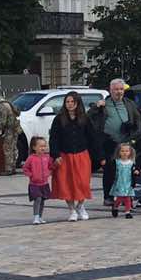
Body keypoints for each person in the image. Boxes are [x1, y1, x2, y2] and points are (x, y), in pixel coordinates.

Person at [89, 79, 141, 207]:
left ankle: (125, 196)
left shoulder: (129, 104)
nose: (119, 92)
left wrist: (133, 135)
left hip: (126, 143)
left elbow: (138, 121)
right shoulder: (104, 104)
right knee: (110, 170)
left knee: (128, 170)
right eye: (116, 89)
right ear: (110, 90)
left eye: (121, 89)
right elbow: (90, 117)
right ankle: (108, 196)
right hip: (110, 142)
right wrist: (97, 107)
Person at [49, 91, 97, 221]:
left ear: (77, 103)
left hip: (82, 155)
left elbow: (92, 137)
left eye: (72, 102)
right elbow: (53, 138)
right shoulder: (59, 119)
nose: (70, 104)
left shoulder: (85, 118)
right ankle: (72, 210)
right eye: (67, 102)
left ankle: (80, 206)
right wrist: (55, 154)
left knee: (83, 183)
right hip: (65, 156)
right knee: (66, 184)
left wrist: (98, 156)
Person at [23, 135, 53, 224]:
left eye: (44, 146)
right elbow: (25, 168)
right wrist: (31, 175)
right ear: (34, 147)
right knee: (38, 199)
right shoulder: (31, 158)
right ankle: (36, 217)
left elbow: (51, 166)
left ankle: (40, 216)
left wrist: (49, 172)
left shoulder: (47, 157)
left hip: (44, 183)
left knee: (43, 200)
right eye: (41, 146)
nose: (43, 148)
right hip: (34, 184)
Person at [109, 142, 138, 218]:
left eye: (127, 151)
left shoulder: (131, 163)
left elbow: (135, 171)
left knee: (127, 197)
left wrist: (137, 172)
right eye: (122, 151)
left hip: (128, 183)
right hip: (119, 183)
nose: (125, 153)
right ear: (119, 152)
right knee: (120, 197)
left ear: (130, 152)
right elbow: (112, 172)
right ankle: (115, 207)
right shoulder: (116, 162)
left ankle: (127, 212)